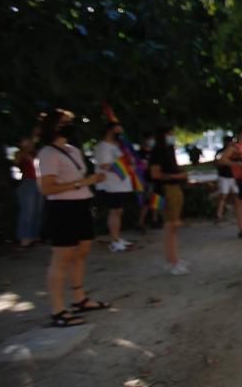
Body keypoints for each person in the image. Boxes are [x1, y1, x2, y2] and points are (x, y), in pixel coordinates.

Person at [35, 109, 111, 327]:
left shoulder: (72, 150)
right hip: (62, 209)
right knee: (62, 257)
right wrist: (82, 183)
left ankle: (80, 298)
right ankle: (58, 310)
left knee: (81, 252)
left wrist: (91, 180)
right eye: (64, 122)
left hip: (81, 205)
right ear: (53, 127)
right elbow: (47, 188)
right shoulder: (47, 154)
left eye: (70, 121)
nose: (70, 125)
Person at [149, 127, 190, 275]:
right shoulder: (157, 151)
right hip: (165, 190)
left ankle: (172, 259)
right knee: (171, 225)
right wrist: (176, 177)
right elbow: (156, 174)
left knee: (173, 226)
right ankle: (173, 261)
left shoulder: (169, 150)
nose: (173, 136)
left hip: (174, 188)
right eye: (170, 133)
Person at [94, 121, 135, 252]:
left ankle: (117, 237)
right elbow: (105, 165)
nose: (120, 134)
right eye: (118, 131)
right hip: (111, 185)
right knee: (114, 211)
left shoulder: (117, 146)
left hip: (121, 185)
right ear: (110, 131)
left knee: (119, 211)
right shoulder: (103, 147)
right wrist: (126, 168)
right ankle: (114, 240)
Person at [14, 136, 44, 248]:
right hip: (28, 182)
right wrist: (27, 149)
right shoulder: (20, 153)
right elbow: (17, 161)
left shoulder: (38, 152)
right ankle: (25, 237)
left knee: (38, 210)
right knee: (28, 210)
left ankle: (35, 236)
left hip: (40, 181)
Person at [137, 134, 160, 231]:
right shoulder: (139, 154)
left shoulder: (155, 153)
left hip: (156, 180)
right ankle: (140, 223)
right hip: (146, 180)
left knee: (156, 200)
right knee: (146, 202)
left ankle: (155, 220)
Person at [214, 136, 239, 224]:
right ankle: (219, 215)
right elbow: (217, 163)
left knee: (236, 195)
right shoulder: (220, 152)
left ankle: (237, 213)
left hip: (233, 176)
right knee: (223, 196)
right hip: (224, 176)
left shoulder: (235, 151)